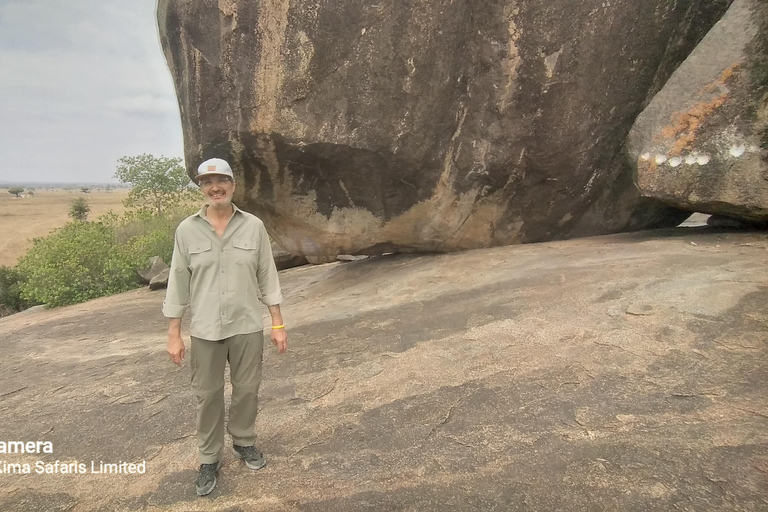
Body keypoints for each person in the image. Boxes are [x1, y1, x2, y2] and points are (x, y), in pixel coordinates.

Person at [162, 157, 287, 496]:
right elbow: (178, 281)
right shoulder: (187, 230)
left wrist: (278, 323)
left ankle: (244, 441)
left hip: (246, 324)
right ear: (201, 188)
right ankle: (208, 458)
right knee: (208, 396)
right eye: (207, 182)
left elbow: (267, 275)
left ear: (233, 185)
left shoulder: (253, 226)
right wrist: (174, 333)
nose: (214, 187)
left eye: (220, 180)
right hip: (204, 329)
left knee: (248, 389)